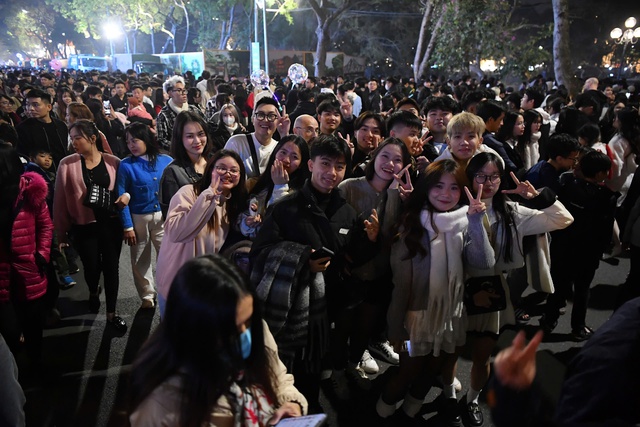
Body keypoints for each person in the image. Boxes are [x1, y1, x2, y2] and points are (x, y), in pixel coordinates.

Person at [250, 135, 378, 411]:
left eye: (340, 166)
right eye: (325, 163)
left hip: (325, 310)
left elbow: (352, 258)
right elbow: (259, 254)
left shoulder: (347, 212)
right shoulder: (285, 207)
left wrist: (369, 240)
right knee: (276, 375)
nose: (332, 173)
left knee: (309, 375)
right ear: (310, 165)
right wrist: (300, 261)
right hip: (288, 310)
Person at [456, 152, 573, 426]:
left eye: (494, 175)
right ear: (471, 177)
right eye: (481, 175)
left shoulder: (511, 211)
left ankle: (472, 399)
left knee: (483, 353)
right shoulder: (454, 209)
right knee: (451, 350)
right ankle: (450, 394)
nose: (488, 181)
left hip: (493, 291)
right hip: (457, 289)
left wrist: (538, 197)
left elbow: (563, 220)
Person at [377, 159, 494, 424]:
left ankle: (411, 409)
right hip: (412, 320)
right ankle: (382, 410)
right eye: (438, 186)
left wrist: (476, 222)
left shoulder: (466, 220)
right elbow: (400, 285)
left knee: (433, 370)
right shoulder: (411, 224)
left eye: (454, 188)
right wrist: (395, 328)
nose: (446, 194)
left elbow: (484, 263)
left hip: (451, 316)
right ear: (426, 189)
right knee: (407, 371)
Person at [129, 254, 308, 427]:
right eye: (232, 330)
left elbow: (279, 378)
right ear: (196, 332)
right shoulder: (160, 406)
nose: (247, 335)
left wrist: (292, 404)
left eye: (249, 321)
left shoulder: (258, 329)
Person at [334, 138, 412, 394]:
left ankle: (353, 363)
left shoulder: (401, 196)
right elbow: (335, 228)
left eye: (398, 159)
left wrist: (394, 195)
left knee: (365, 326)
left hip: (381, 272)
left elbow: (388, 240)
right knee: (343, 324)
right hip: (349, 271)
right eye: (385, 156)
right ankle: (335, 370)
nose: (390, 164)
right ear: (374, 158)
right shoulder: (349, 187)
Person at [53, 120, 127, 332]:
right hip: (83, 227)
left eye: (78, 138)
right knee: (92, 268)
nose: (73, 142)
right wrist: (61, 233)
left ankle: (112, 313)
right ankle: (93, 291)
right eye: (72, 138)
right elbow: (59, 201)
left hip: (111, 225)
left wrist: (125, 201)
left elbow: (125, 190)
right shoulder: (66, 164)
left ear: (92, 139)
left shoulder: (114, 162)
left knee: (112, 269)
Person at [156, 150, 248, 315]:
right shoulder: (189, 192)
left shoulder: (230, 205)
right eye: (221, 168)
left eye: (234, 170)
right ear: (211, 170)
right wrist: (209, 195)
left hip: (202, 286)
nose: (228, 173)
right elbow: (177, 233)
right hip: (176, 283)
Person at [540, 151, 617, 340]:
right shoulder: (606, 196)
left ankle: (548, 320)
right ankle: (578, 327)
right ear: (600, 174)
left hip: (563, 246)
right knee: (582, 290)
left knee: (558, 285)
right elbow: (606, 229)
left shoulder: (567, 185)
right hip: (588, 253)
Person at [0, 146, 53, 365]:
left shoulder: (30, 192)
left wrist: (41, 254)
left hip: (29, 269)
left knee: (33, 327)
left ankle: (35, 366)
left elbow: (45, 225)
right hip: (3, 274)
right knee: (9, 331)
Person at [117, 123, 173, 310]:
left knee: (167, 256)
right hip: (138, 217)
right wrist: (127, 226)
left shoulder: (166, 160)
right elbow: (121, 195)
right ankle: (147, 295)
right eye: (128, 141)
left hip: (163, 217)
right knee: (140, 258)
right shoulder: (125, 165)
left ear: (147, 140)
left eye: (135, 140)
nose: (131, 145)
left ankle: (170, 290)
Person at [238, 135, 310, 239]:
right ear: (275, 153)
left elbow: (282, 225)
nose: (286, 160)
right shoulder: (255, 183)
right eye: (283, 152)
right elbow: (238, 218)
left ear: (300, 164)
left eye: (294, 157)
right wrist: (246, 223)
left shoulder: (303, 193)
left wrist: (280, 186)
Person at [159, 111, 212, 219]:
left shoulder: (214, 162)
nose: (197, 141)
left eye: (201, 134)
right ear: (180, 139)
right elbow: (172, 218)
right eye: (190, 136)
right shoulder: (173, 172)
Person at [224, 97, 288, 181]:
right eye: (260, 115)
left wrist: (284, 134)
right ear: (253, 119)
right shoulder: (236, 143)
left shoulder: (278, 148)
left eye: (271, 116)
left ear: (278, 121)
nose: (265, 120)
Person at [16, 89, 69, 171]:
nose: (31, 108)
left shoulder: (60, 125)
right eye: (28, 105)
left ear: (49, 107)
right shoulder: (23, 128)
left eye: (35, 105)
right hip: (39, 175)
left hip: (63, 170)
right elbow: (22, 154)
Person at [156, 76, 205, 151]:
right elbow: (161, 139)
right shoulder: (164, 115)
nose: (184, 93)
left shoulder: (194, 109)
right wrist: (181, 147)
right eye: (179, 90)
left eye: (184, 90)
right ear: (170, 93)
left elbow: (206, 126)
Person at [350, 112, 385, 177]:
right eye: (364, 129)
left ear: (381, 138)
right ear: (355, 133)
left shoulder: (385, 160)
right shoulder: (347, 153)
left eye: (375, 131)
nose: (369, 135)